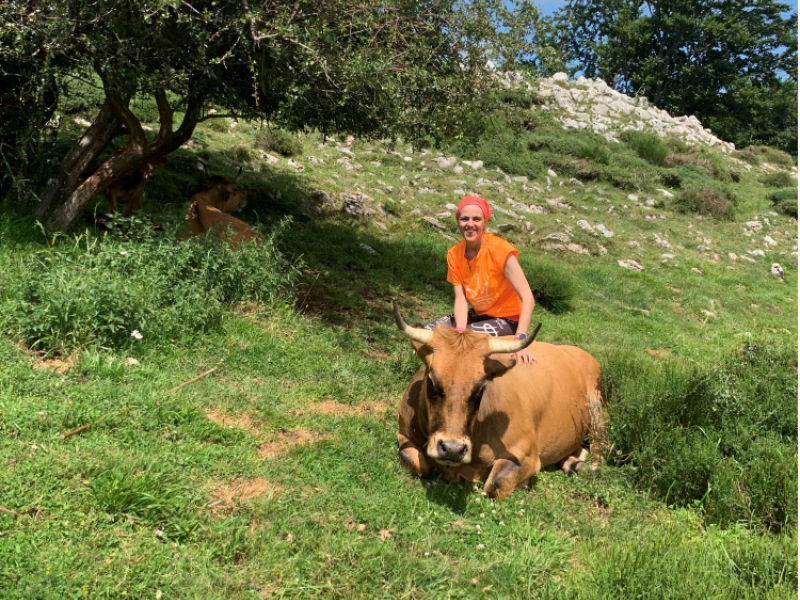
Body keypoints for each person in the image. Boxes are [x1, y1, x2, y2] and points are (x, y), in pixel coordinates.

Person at [425, 195, 537, 366]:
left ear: (485, 222)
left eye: (476, 219)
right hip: (480, 315)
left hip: (509, 318)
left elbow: (528, 298)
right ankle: (436, 375)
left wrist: (520, 340)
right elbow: (461, 299)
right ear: (458, 222)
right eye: (465, 219)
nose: (470, 224)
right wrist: (460, 331)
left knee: (463, 341)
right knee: (427, 332)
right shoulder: (454, 254)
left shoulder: (500, 249)